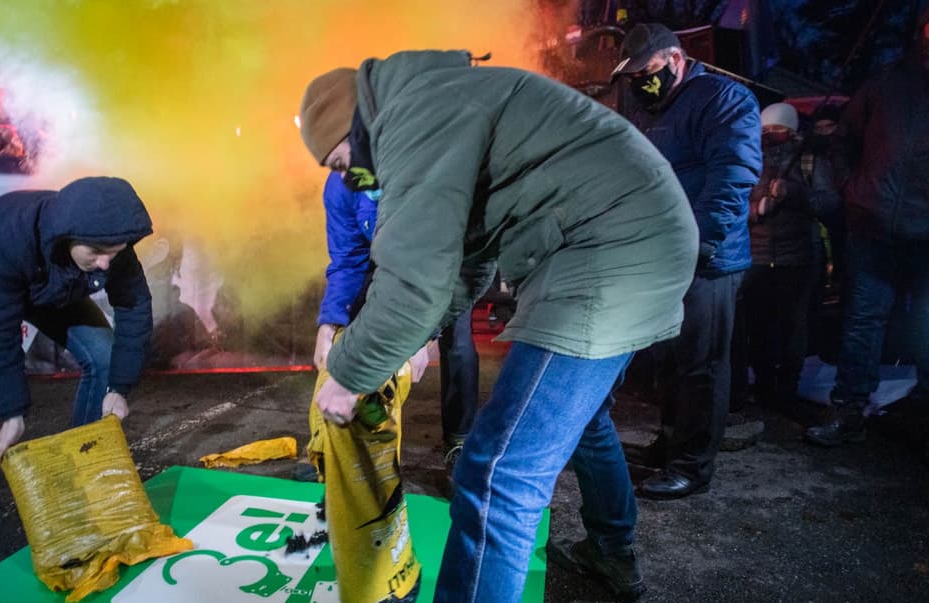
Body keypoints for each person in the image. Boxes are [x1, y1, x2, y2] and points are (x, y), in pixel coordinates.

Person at [298, 50, 697, 601]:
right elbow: (470, 261)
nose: (347, 179)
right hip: (635, 240)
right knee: (579, 420)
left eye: (342, 163)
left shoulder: (415, 115)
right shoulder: (436, 102)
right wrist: (416, 339)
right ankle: (610, 546)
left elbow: (414, 273)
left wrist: (348, 373)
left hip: (604, 253)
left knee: (496, 475)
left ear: (354, 128)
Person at [0, 176, 154, 538]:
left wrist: (118, 387)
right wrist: (13, 413)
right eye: (97, 252)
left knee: (106, 356)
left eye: (114, 253)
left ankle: (83, 465)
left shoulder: (109, 242)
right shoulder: (4, 236)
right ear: (69, 235)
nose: (106, 264)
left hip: (49, 289)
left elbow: (135, 310)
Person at [611, 23, 762, 499]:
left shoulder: (723, 99)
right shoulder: (642, 106)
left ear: (676, 59)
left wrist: (697, 244)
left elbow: (733, 175)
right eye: (632, 75)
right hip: (659, 255)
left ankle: (693, 465)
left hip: (708, 259)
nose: (640, 82)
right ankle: (671, 442)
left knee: (702, 365)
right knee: (670, 361)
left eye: (647, 71)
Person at [805, 10, 929, 447]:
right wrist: (851, 189)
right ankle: (849, 409)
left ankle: (922, 415)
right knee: (862, 322)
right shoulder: (885, 82)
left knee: (925, 325)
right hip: (873, 225)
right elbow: (843, 141)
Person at [311, 171, 480, 470]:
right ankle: (344, 447)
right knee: (350, 330)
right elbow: (347, 260)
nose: (342, 169)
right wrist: (330, 323)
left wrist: (423, 338)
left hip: (445, 262)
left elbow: (442, 259)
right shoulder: (340, 183)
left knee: (458, 341)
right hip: (386, 260)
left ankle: (460, 441)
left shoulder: (423, 169)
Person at [743, 102, 839, 408]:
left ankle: (787, 388)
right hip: (756, 255)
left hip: (798, 257)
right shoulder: (748, 157)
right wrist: (756, 209)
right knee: (758, 324)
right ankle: (763, 384)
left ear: (792, 130)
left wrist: (795, 193)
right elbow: (731, 200)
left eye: (778, 128)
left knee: (792, 326)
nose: (770, 134)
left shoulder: (810, 160)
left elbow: (829, 203)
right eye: (765, 129)